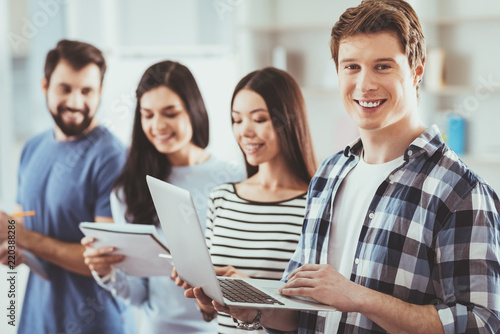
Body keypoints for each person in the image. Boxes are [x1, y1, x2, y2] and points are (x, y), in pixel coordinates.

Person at [186, 1, 500, 333]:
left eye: (382, 66)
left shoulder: (460, 191)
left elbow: (482, 324)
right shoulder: (328, 175)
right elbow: (302, 310)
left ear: (417, 71)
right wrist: (252, 309)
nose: (364, 85)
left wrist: (359, 298)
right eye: (351, 67)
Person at [81, 60, 245, 333]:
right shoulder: (128, 189)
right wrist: (106, 273)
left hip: (224, 327)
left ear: (193, 110)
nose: (158, 125)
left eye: (170, 113)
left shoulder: (236, 178)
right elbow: (139, 295)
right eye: (148, 115)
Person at [0, 40, 134, 333]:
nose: (75, 102)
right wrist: (12, 247)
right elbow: (23, 229)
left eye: (87, 91)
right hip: (36, 318)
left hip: (95, 323)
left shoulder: (112, 156)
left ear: (100, 92)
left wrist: (21, 235)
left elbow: (104, 259)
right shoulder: (32, 148)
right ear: (44, 85)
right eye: (65, 89)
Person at [176, 67, 318, 333]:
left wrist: (252, 294)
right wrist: (204, 297)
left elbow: (314, 314)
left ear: (288, 120)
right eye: (237, 120)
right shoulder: (222, 198)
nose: (245, 131)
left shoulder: (315, 206)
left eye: (259, 119)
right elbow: (209, 312)